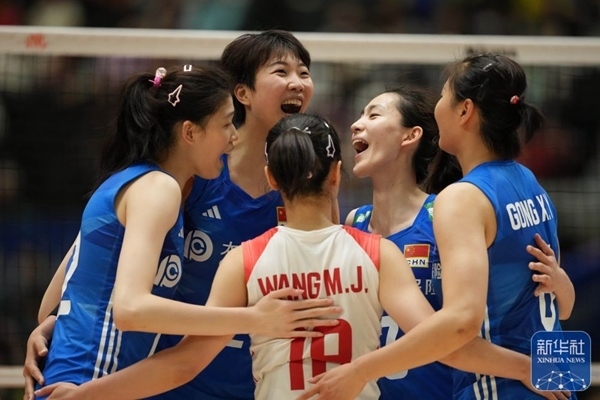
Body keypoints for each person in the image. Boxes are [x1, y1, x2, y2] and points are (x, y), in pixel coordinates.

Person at [35, 114, 567, 400]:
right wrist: (534, 368)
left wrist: (88, 396)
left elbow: (182, 364)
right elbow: (450, 344)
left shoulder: (243, 261)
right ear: (337, 175)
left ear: (271, 179)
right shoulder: (378, 253)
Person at [23, 30, 317, 400]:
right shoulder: (173, 183)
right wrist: (56, 325)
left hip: (227, 378)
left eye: (304, 72)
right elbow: (106, 296)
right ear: (242, 93)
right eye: (281, 71)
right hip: (137, 380)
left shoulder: (306, 180)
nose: (297, 83)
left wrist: (63, 324)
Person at [298, 53, 576, 400]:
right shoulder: (527, 181)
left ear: (465, 111)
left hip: (497, 388)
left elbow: (460, 324)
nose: (437, 108)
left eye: (443, 96)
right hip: (543, 383)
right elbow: (560, 307)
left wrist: (360, 371)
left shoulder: (459, 200)